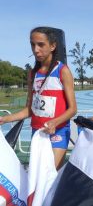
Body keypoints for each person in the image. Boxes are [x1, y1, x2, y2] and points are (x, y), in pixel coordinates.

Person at [0, 27, 77, 170]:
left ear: (53, 46)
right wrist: (5, 119)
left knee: (49, 175)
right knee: (37, 175)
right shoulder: (32, 74)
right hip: (37, 132)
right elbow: (30, 110)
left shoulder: (63, 71)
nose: (36, 50)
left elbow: (72, 109)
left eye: (41, 44)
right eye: (32, 44)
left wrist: (55, 122)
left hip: (58, 132)